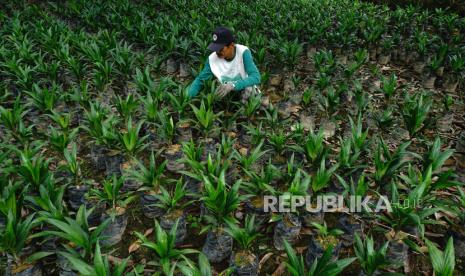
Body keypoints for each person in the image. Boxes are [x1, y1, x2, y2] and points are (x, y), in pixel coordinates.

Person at [188, 27, 261, 102]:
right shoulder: (212, 59)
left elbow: (256, 77)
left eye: (221, 49)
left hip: (243, 88)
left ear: (231, 45)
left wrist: (233, 85)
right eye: (215, 49)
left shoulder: (243, 52)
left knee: (250, 90)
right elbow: (200, 80)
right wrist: (187, 97)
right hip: (225, 93)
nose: (217, 52)